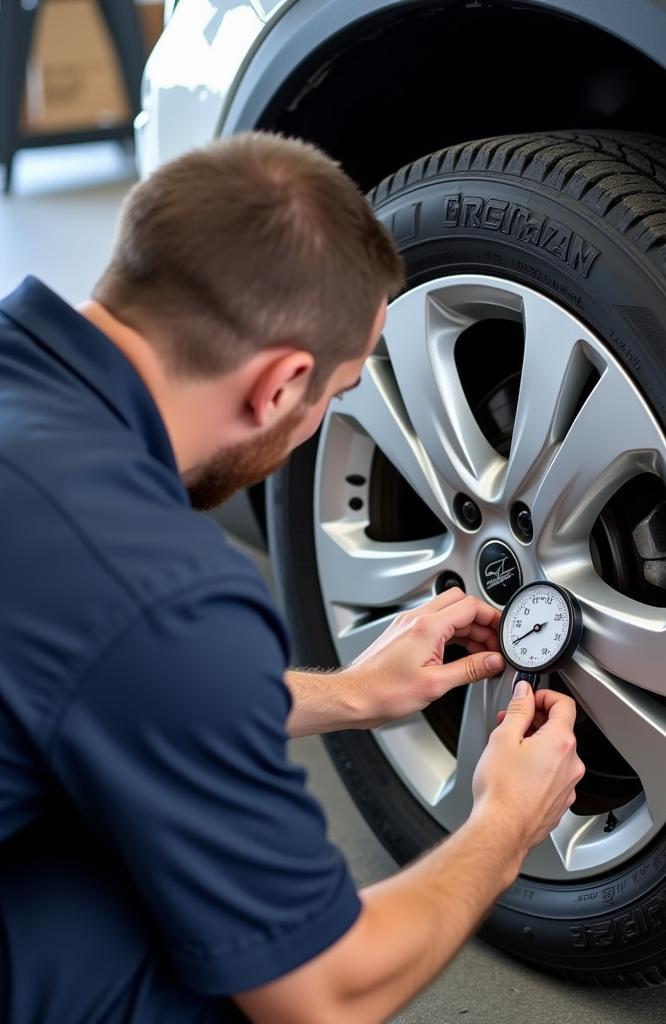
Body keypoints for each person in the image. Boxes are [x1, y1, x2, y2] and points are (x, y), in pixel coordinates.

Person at [0, 132, 585, 1023]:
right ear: (281, 385)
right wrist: (506, 825)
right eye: (338, 396)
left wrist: (349, 695)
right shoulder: (166, 588)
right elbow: (323, 994)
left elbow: (85, 667)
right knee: (214, 954)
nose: (321, 422)